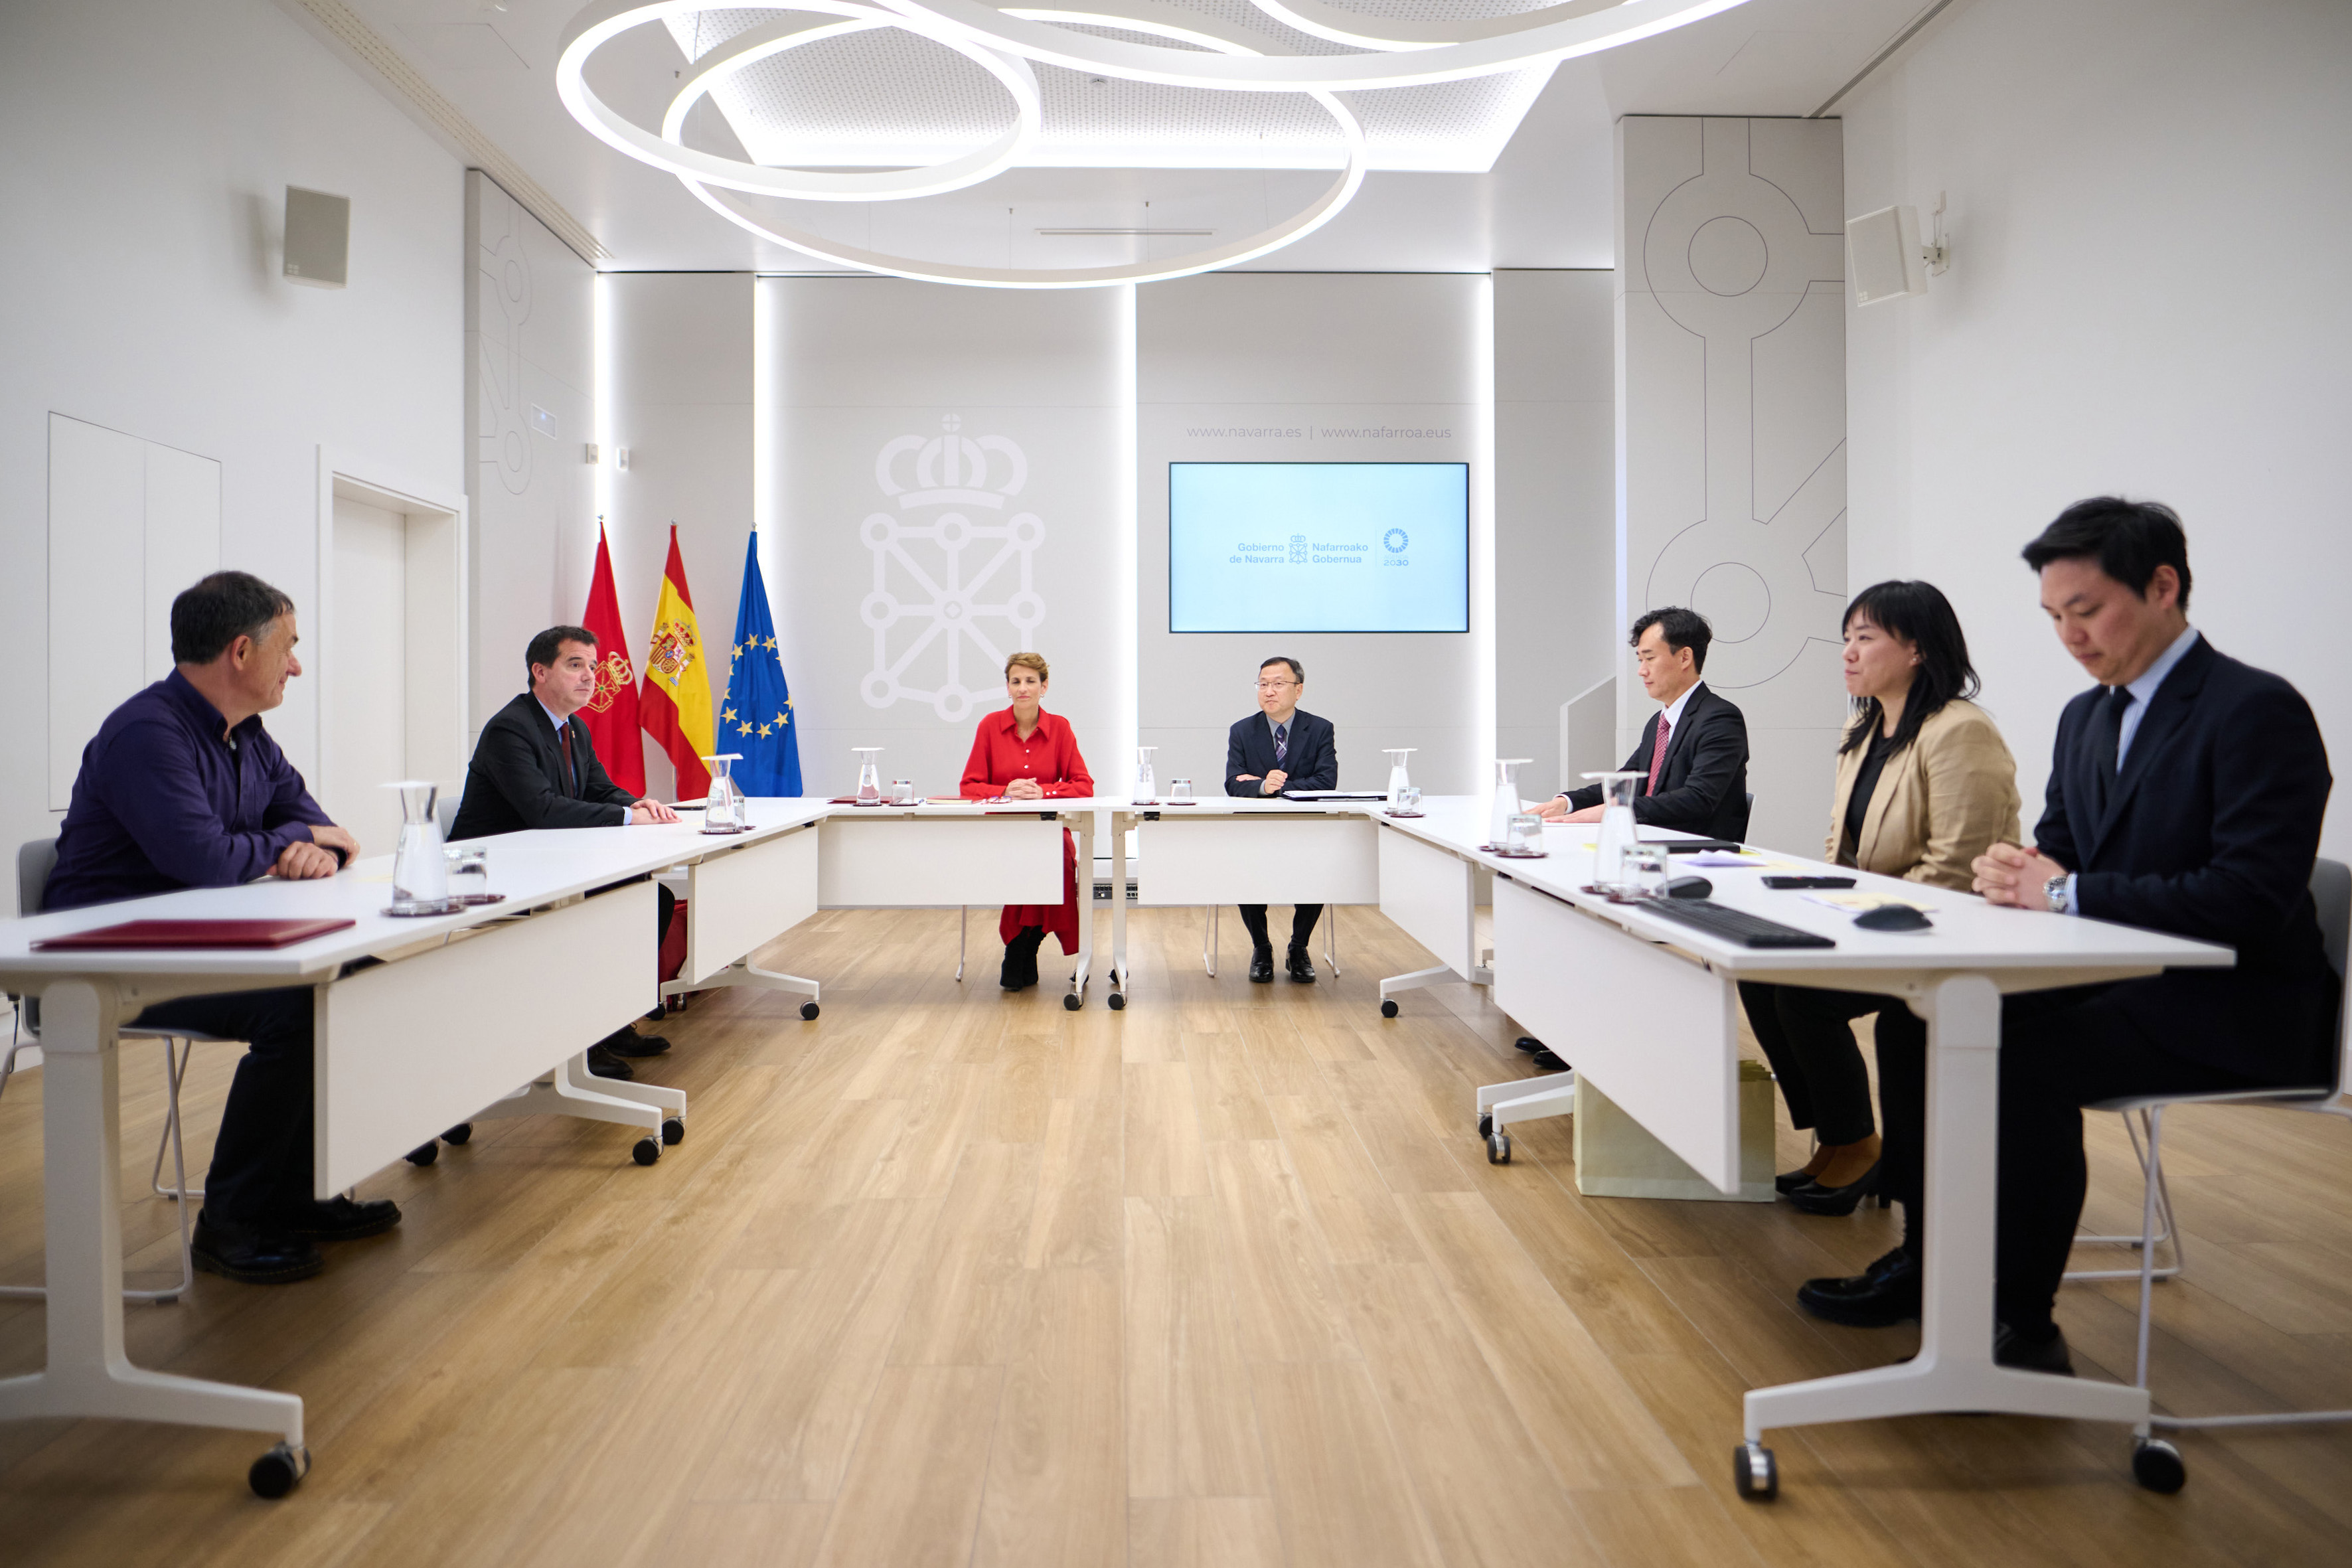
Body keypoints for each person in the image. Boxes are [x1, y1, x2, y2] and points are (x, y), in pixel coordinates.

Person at [1798, 499, 2338, 1379]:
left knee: (2018, 1046)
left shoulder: (2253, 710)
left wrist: (2062, 887)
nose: (2068, 636)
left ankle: (2016, 1322)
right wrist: (2013, 872)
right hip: (2120, 975)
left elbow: (2246, 897)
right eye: (2053, 618)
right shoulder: (2086, 717)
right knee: (1917, 1016)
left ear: (2162, 586)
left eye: (2084, 611)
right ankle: (1932, 1262)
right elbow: (2061, 853)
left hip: (2239, 1005)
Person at [43, 572, 388, 1285]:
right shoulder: (146, 733)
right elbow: (202, 859)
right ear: (241, 651)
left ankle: (299, 1193)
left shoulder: (250, 734)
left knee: (345, 976)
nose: (297, 664)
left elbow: (327, 829)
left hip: (193, 940)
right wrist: (289, 845)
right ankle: (230, 1222)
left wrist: (298, 840)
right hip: (103, 962)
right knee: (298, 1002)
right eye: (289, 647)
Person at [1739, 581, 2020, 1217]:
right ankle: (1839, 1140)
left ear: (1917, 649)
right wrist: (1812, 902)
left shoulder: (1960, 732)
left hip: (1947, 935)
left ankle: (1857, 1146)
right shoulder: (1863, 729)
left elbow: (1956, 870)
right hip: (1875, 923)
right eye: (1846, 639)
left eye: (1864, 639)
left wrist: (1847, 918)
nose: (1848, 653)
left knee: (1800, 995)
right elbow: (1845, 851)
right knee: (1758, 971)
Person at [451, 625, 682, 1079]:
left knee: (649, 899)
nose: (589, 677)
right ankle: (580, 1039)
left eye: (593, 667)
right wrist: (626, 819)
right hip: (491, 870)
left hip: (548, 861)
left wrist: (635, 803)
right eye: (575, 665)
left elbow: (598, 787)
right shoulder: (509, 729)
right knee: (600, 912)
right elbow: (540, 809)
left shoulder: (574, 728)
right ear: (540, 672)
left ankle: (612, 1023)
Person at [1538, 606, 1751, 841]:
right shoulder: (1658, 723)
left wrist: (1618, 810)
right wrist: (1567, 803)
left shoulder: (1720, 718)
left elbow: (1698, 798)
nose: (1641, 671)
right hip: (1646, 844)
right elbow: (1627, 781)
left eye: (1650, 658)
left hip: (1693, 854)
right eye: (1640, 660)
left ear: (1684, 657)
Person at [959, 652, 1095, 990]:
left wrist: (1043, 794)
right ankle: (1024, 946)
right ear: (1007, 687)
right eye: (1016, 681)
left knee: (1059, 859)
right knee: (1025, 860)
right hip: (1004, 832)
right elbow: (969, 787)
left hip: (1048, 828)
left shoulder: (1060, 727)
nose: (1023, 688)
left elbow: (1084, 785)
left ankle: (1022, 945)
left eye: (1031, 681)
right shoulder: (990, 726)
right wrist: (1005, 789)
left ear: (1044, 687)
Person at [1223, 656, 1337, 982]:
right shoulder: (1243, 730)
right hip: (1256, 826)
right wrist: (1260, 785)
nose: (1268, 692)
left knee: (1317, 872)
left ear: (1298, 690)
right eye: (1262, 684)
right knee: (1248, 874)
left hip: (1305, 826)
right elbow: (1233, 783)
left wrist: (1273, 786)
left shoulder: (1319, 729)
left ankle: (1298, 947)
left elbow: (1326, 782)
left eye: (1278, 684)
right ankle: (1261, 948)